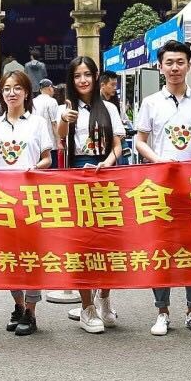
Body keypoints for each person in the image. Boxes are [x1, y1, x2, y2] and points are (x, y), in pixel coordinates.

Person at [133, 39, 191, 335]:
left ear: (188, 65)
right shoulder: (151, 102)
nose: (175, 67)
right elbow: (139, 141)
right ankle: (162, 312)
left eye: (180, 62)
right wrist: (158, 160)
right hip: (160, 186)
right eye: (169, 62)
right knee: (161, 248)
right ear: (160, 67)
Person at [57, 56, 123, 333]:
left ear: (96, 77)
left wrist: (107, 162)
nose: (82, 80)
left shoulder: (109, 107)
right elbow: (60, 141)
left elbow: (117, 145)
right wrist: (64, 120)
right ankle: (87, 306)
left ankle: (104, 298)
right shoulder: (66, 108)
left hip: (105, 176)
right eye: (77, 76)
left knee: (108, 242)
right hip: (77, 178)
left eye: (87, 74)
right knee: (82, 245)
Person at [0, 69, 54, 336]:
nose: (11, 93)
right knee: (8, 256)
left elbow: (48, 158)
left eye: (17, 88)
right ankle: (18, 305)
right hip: (1, 200)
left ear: (27, 92)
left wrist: (35, 167)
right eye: (6, 89)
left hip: (30, 198)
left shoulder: (37, 123)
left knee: (31, 256)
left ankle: (31, 311)